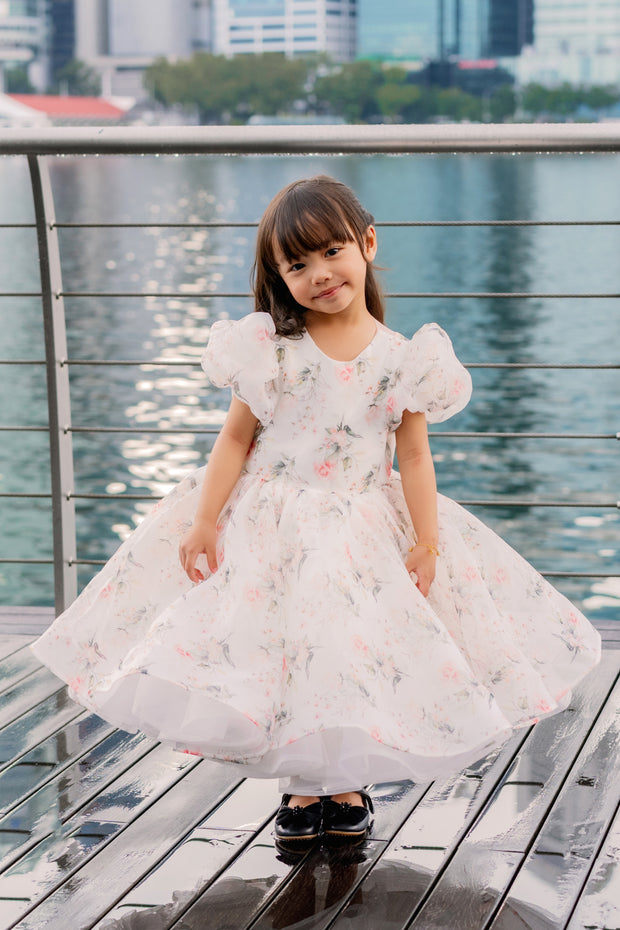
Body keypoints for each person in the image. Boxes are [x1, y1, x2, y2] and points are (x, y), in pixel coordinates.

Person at [31, 175, 601, 854]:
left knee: (349, 655)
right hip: (271, 529)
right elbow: (236, 439)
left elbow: (413, 459)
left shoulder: (401, 360)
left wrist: (426, 542)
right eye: (296, 265)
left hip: (361, 529)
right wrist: (206, 519)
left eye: (331, 252)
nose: (319, 275)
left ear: (366, 242)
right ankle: (303, 784)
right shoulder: (271, 352)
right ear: (278, 276)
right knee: (286, 656)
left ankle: (348, 782)